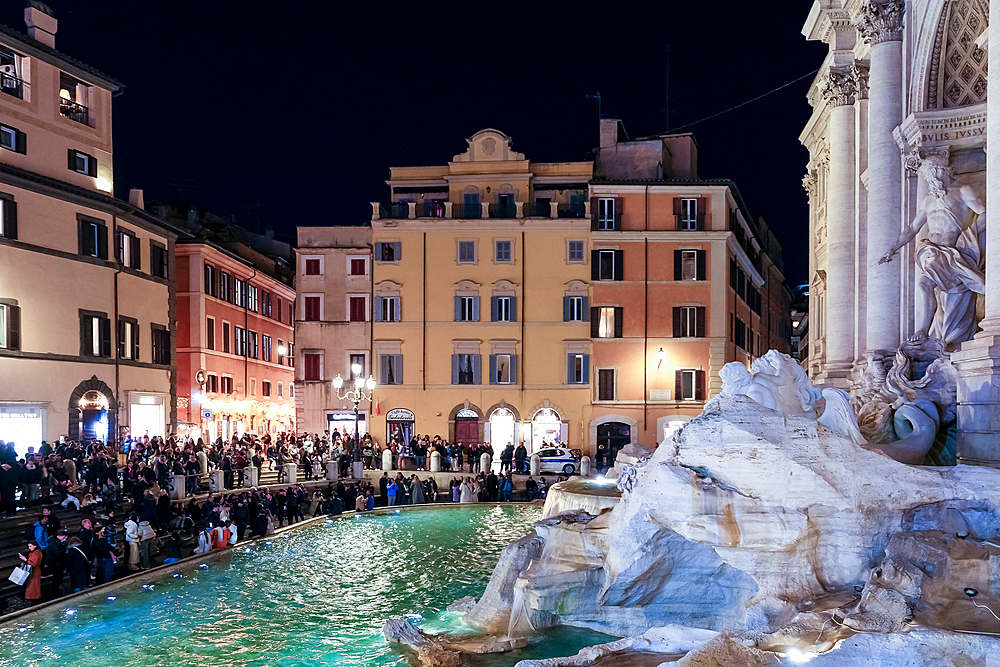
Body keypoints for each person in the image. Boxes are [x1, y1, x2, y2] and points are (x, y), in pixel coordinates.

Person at [880, 151, 986, 346]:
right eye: (929, 173)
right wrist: (892, 248)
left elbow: (985, 213)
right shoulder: (928, 200)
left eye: (936, 171)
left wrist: (969, 234)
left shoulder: (963, 190)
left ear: (948, 171)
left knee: (980, 285)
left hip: (954, 253)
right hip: (931, 252)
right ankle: (922, 330)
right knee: (923, 285)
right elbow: (912, 228)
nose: (932, 176)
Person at [47, 528, 68, 599]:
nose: (65, 539)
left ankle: (55, 591)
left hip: (55, 563)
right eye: (65, 537)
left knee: (57, 578)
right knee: (57, 578)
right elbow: (59, 554)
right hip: (56, 564)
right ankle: (55, 592)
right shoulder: (56, 544)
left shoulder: (54, 542)